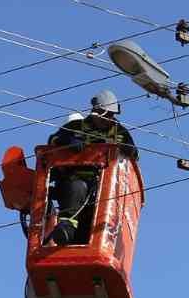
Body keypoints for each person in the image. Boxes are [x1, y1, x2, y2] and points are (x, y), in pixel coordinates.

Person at [43, 90, 137, 246]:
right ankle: (66, 227)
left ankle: (90, 239)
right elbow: (53, 140)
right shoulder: (76, 126)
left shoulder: (120, 132)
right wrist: (69, 141)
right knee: (77, 187)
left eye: (111, 115)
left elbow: (134, 153)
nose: (109, 119)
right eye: (106, 114)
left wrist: (122, 148)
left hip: (104, 186)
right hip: (75, 180)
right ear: (96, 112)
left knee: (97, 212)